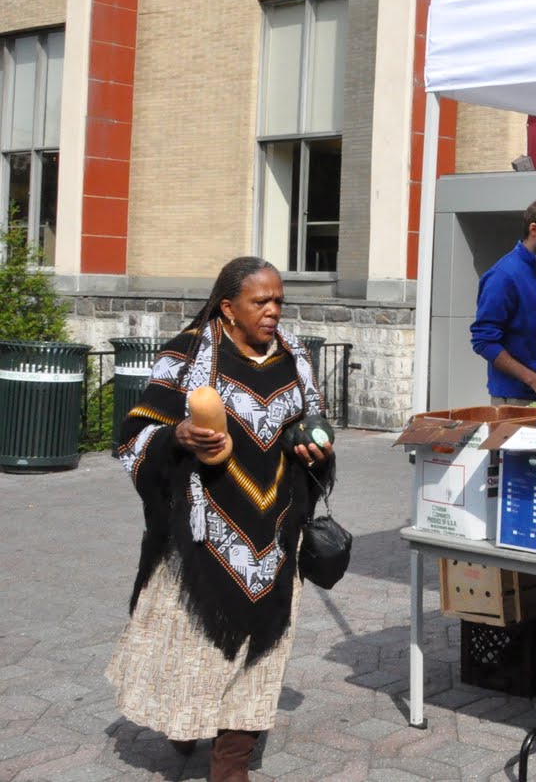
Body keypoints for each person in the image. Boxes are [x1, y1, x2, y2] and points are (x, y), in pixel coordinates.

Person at [106, 257, 333, 782]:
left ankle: (232, 760)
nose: (273, 311)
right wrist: (177, 436)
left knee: (262, 653)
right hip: (201, 532)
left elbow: (314, 421)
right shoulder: (186, 355)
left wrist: (316, 447)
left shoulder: (296, 358)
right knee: (194, 648)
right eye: (261, 301)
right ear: (228, 308)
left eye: (279, 301)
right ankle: (185, 722)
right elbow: (135, 435)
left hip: (277, 532)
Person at [470, 199, 536, 405]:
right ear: (534, 229)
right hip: (515, 400)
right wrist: (535, 381)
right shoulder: (503, 276)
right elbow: (484, 341)